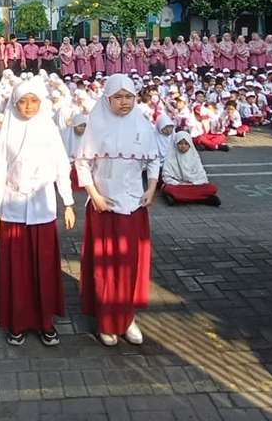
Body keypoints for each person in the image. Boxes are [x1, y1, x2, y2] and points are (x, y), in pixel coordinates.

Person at [0, 78, 75, 346]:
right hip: (13, 209)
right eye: (23, 102)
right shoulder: (8, 130)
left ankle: (45, 322)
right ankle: (18, 322)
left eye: (34, 101)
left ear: (41, 102)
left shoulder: (48, 129)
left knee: (44, 266)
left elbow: (61, 165)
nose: (28, 107)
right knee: (17, 269)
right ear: (14, 104)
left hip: (42, 208)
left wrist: (68, 202)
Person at [75, 74, 160, 347]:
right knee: (106, 267)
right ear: (107, 99)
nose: (124, 102)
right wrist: (95, 195)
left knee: (130, 265)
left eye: (129, 97)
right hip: (104, 207)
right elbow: (82, 162)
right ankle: (106, 321)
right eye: (118, 97)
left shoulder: (142, 124)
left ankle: (127, 318)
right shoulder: (96, 126)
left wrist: (151, 188)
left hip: (133, 206)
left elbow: (154, 158)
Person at [161, 131, 220, 206]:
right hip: (178, 185)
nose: (183, 146)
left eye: (186, 144)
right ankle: (202, 199)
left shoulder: (194, 156)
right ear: (175, 144)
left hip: (193, 185)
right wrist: (180, 184)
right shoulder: (170, 157)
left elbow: (202, 176)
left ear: (190, 144)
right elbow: (166, 177)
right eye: (180, 143)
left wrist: (193, 183)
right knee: (169, 188)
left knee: (212, 188)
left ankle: (180, 199)